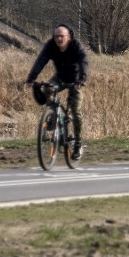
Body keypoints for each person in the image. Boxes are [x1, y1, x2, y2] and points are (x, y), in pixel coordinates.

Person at [26, 24, 89, 159]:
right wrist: (31, 78)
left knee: (75, 110)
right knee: (48, 88)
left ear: (69, 37)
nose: (59, 39)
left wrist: (81, 80)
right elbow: (41, 61)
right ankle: (54, 115)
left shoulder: (76, 46)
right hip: (60, 77)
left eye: (62, 36)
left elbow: (84, 61)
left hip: (76, 80)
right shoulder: (50, 46)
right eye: (56, 36)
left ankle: (78, 143)